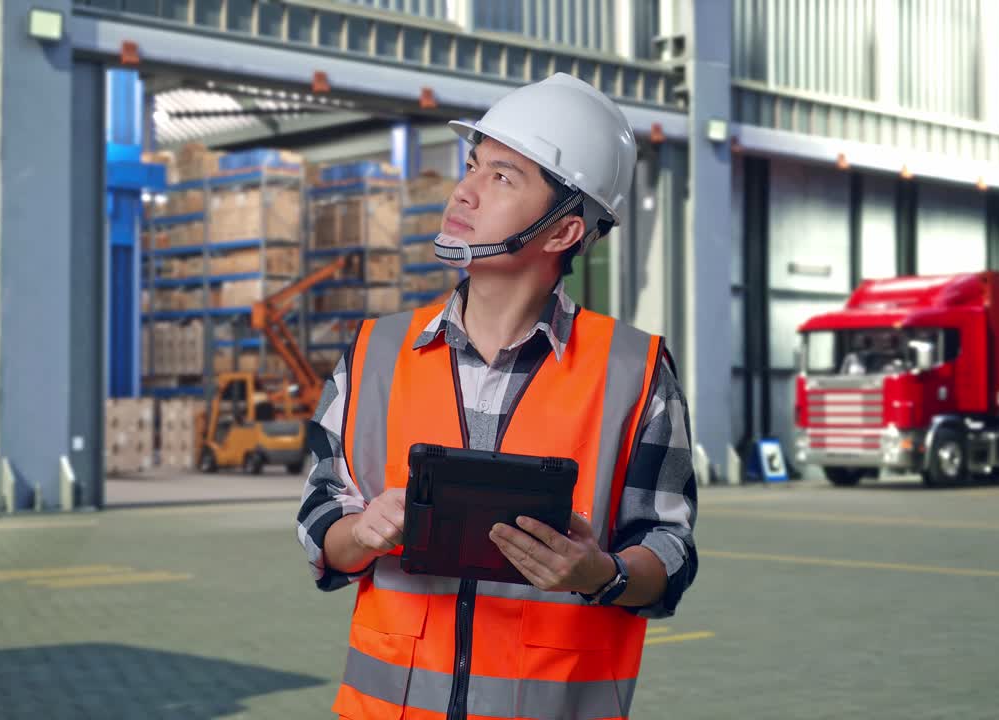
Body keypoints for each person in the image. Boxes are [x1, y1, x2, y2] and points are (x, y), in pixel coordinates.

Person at [296, 73, 699, 720]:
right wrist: (362, 533)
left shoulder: (636, 372)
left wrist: (598, 573)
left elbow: (670, 554)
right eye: (474, 165)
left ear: (565, 232)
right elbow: (321, 530)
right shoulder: (373, 356)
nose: (465, 190)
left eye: (502, 178)